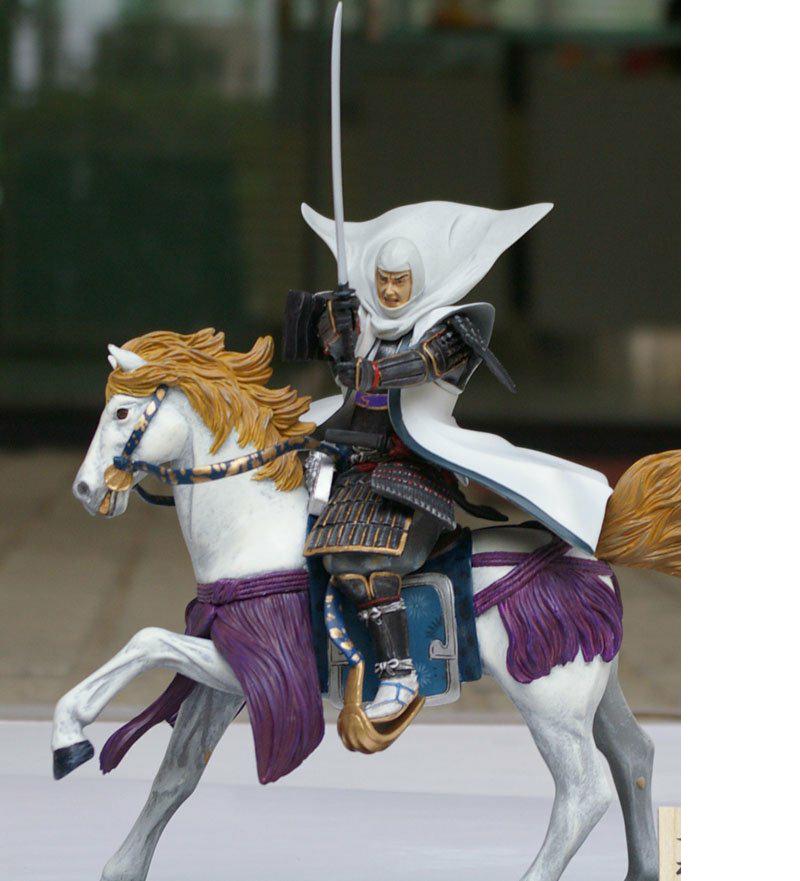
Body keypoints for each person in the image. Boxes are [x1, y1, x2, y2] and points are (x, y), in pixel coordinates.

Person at [285, 200, 613, 722]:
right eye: (383, 280)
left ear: (420, 280)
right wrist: (337, 325)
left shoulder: (449, 329)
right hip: (346, 464)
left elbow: (417, 366)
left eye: (400, 281)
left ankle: (399, 673)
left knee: (362, 561)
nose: (391, 292)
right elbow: (310, 336)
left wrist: (365, 370)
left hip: (410, 475)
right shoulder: (361, 324)